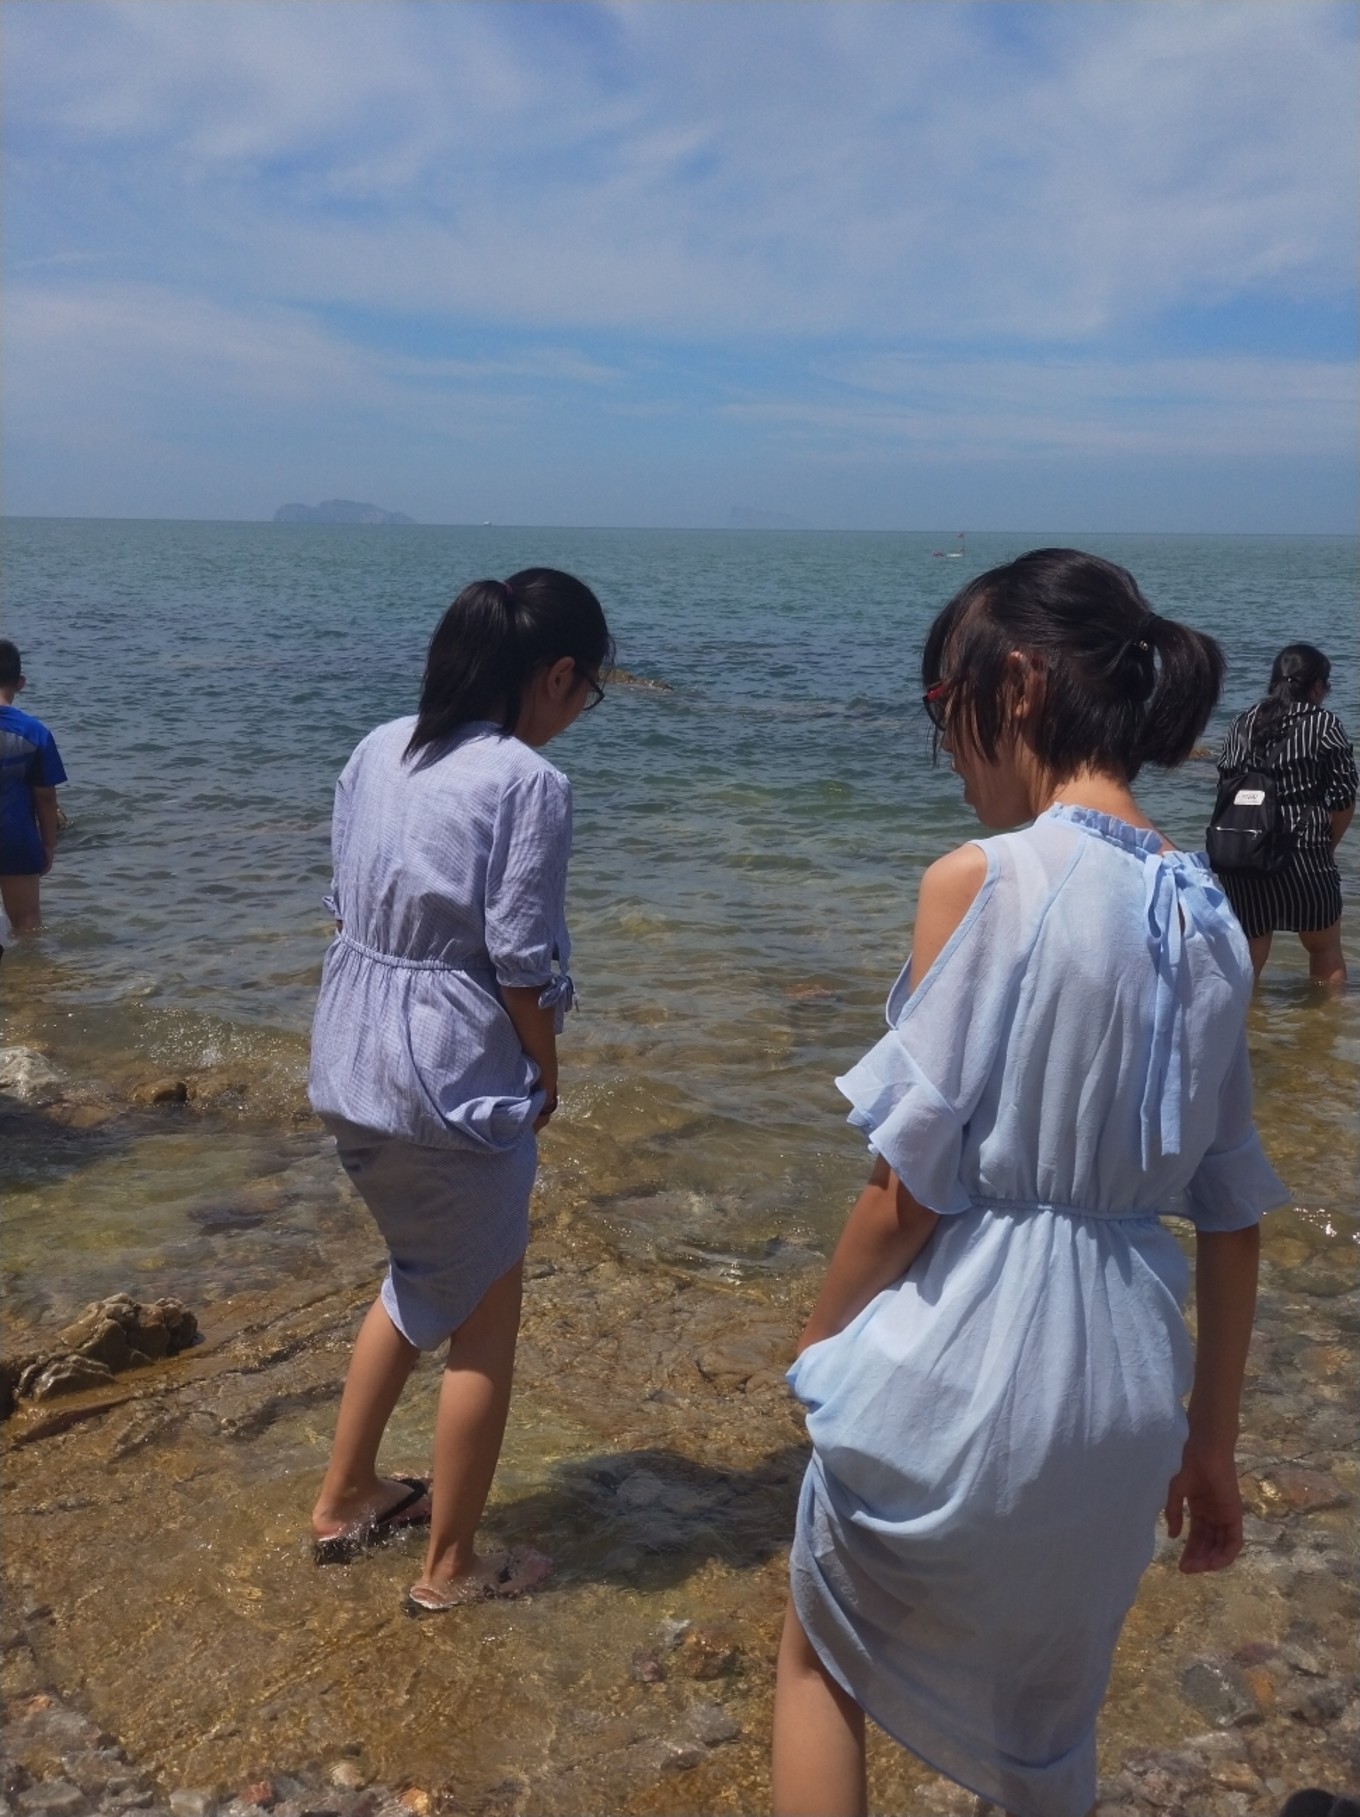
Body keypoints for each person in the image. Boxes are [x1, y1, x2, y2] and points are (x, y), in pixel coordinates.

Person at [771, 550, 1284, 1817]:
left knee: (821, 1656)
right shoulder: (1212, 919)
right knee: (1042, 1743)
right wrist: (1209, 1445)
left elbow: (907, 1189)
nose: (944, 748)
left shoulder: (983, 879)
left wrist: (816, 1344)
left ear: (1014, 684)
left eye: (940, 704)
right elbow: (1231, 1220)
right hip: (1125, 1396)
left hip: (968, 1361)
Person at [307, 568, 612, 1611]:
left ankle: (347, 1495)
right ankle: (449, 1568)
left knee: (416, 1275)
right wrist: (546, 1070)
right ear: (557, 674)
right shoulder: (527, 782)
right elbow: (520, 960)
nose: (578, 711)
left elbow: (343, 901)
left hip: (348, 1057)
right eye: (586, 691)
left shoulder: (378, 745)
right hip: (446, 1078)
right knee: (484, 1319)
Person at [1212, 644, 1356, 986]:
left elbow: (1226, 787)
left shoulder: (1242, 722)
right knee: (1323, 948)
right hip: (1304, 853)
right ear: (1317, 687)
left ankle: (1248, 1017)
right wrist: (1327, 848)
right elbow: (1344, 797)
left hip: (1243, 852)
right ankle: (1324, 1020)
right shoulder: (1323, 724)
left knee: (1249, 953)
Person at [0, 640, 67, 938]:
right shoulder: (35, 732)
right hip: (16, 838)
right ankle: (31, 968)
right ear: (20, 683)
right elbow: (46, 797)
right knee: (27, 923)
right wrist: (49, 844)